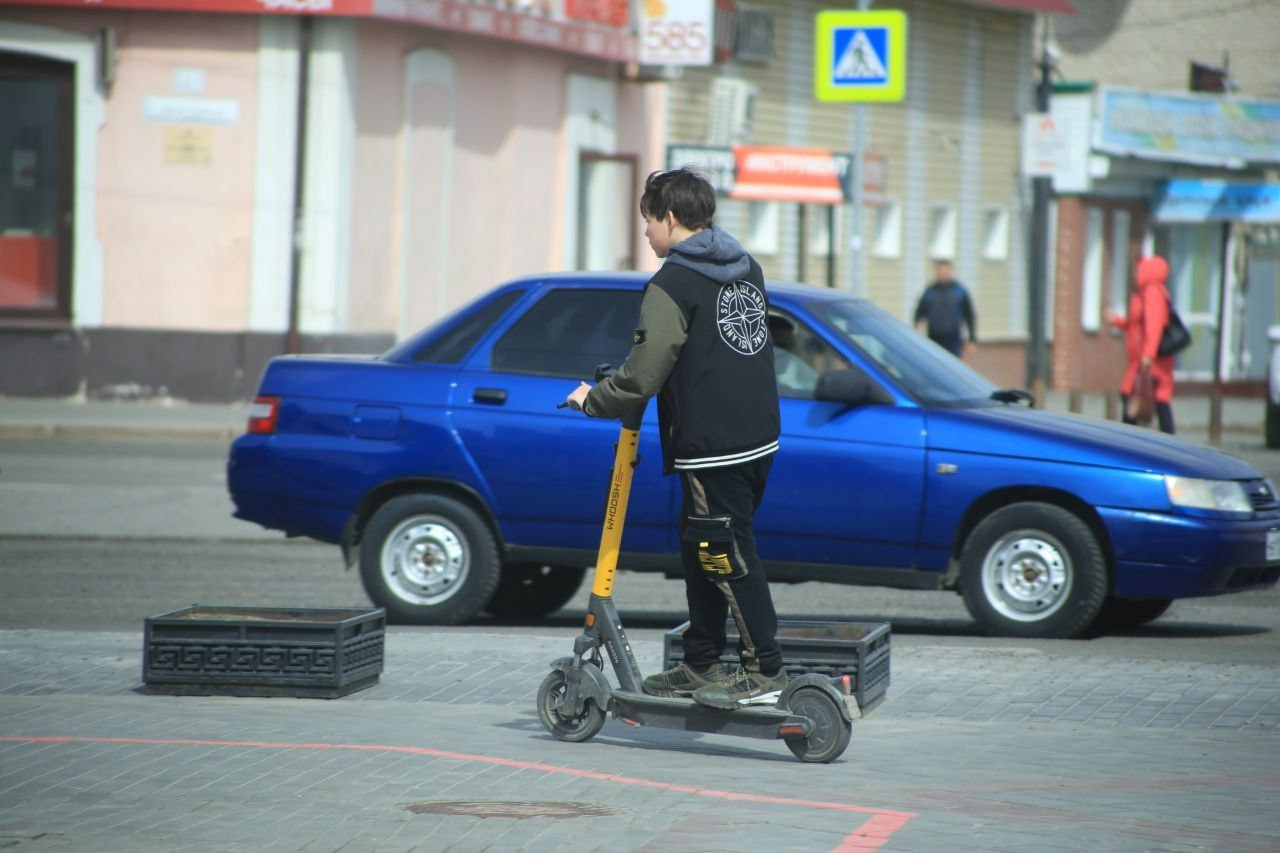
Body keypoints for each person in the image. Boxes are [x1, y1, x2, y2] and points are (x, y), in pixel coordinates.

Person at [564, 168, 787, 710]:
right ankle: (701, 660)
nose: (644, 233)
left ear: (669, 218)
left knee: (723, 552)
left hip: (714, 444)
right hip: (757, 432)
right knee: (700, 547)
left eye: (647, 220)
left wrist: (595, 398)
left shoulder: (672, 283)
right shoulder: (745, 267)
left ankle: (764, 671)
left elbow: (646, 370)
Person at [1106, 255, 1176, 435]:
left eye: (1139, 269)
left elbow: (1154, 326)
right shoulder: (1144, 292)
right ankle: (1142, 437)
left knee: (1140, 398)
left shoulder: (1152, 292)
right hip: (1141, 360)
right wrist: (1116, 321)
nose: (1135, 273)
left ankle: (1130, 439)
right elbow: (1134, 323)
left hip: (1150, 363)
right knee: (1152, 401)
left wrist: (1148, 355)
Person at [913, 260, 977, 358]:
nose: (942, 273)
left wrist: (971, 339)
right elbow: (920, 311)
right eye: (940, 271)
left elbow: (969, 315)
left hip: (952, 338)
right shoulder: (930, 291)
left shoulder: (959, 291)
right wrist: (918, 324)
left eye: (944, 270)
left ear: (950, 271)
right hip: (934, 336)